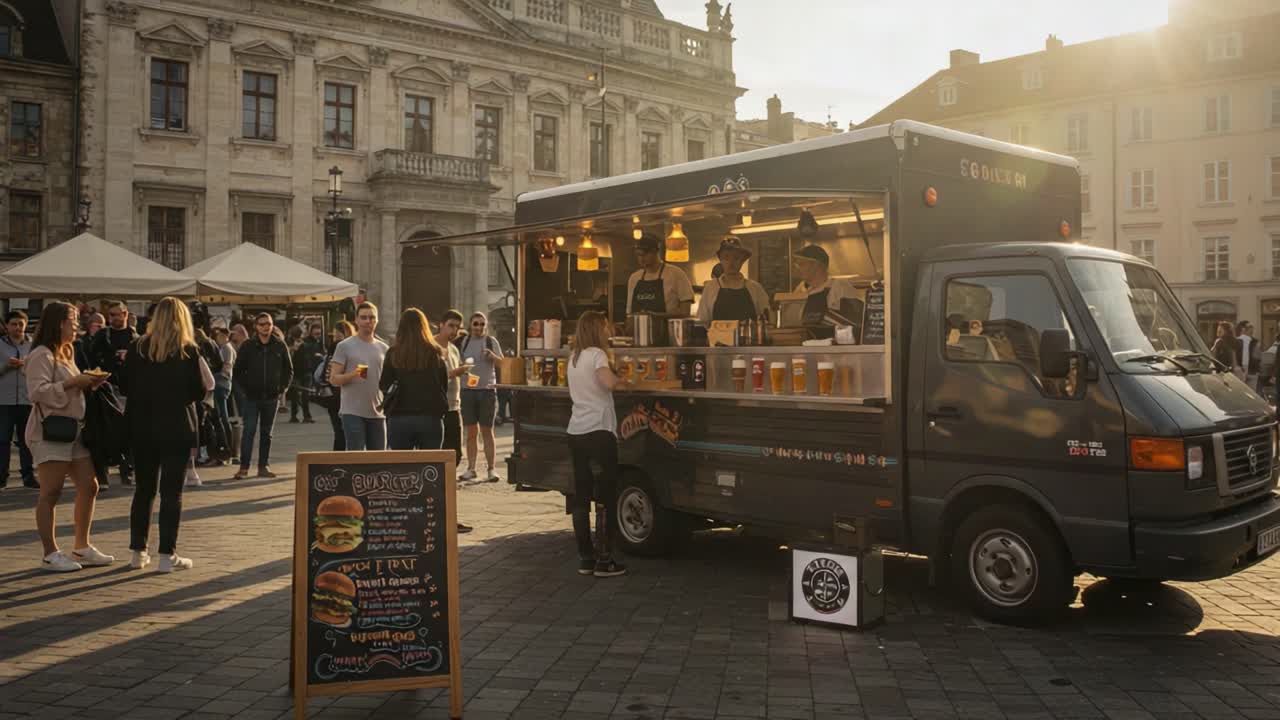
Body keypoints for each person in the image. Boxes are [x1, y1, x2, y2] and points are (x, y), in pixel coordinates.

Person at [121, 297, 211, 572]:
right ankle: (166, 556)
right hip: (176, 427)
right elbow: (199, 390)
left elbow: (123, 385)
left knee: (144, 490)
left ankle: (138, 552)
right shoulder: (188, 350)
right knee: (172, 493)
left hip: (142, 427)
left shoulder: (137, 348)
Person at [27, 301, 112, 572]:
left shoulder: (66, 351)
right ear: (58, 323)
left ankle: (81, 546)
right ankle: (50, 553)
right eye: (73, 321)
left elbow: (70, 386)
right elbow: (37, 391)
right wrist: (73, 382)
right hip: (51, 431)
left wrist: (89, 382)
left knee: (90, 485)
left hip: (74, 430)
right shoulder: (42, 354)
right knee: (51, 491)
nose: (76, 326)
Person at [566, 310, 627, 578]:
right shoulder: (597, 354)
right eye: (605, 327)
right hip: (599, 431)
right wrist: (624, 380)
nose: (609, 331)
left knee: (581, 495)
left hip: (576, 430)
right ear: (596, 329)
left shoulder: (574, 357)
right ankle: (606, 559)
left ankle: (585, 557)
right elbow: (608, 383)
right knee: (605, 495)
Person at [233, 313, 292, 480]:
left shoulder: (280, 345)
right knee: (249, 431)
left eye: (269, 323)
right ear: (256, 327)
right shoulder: (248, 346)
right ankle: (244, 467)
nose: (266, 327)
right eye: (262, 324)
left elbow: (289, 370)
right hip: (251, 397)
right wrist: (245, 389)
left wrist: (282, 388)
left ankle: (263, 466)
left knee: (267, 433)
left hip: (271, 397)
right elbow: (237, 371)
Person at [382, 308, 448, 451]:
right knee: (431, 468)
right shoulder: (435, 353)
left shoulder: (393, 353)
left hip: (400, 416)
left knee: (402, 468)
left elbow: (384, 384)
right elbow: (443, 384)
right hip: (430, 417)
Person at [89, 300, 138, 486]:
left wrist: (128, 357)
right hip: (105, 389)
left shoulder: (134, 336)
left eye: (118, 314)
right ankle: (102, 475)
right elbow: (91, 358)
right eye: (112, 315)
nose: (115, 318)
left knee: (128, 431)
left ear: (126, 314)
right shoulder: (103, 335)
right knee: (104, 430)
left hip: (127, 389)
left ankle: (128, 470)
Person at [433, 310, 474, 534]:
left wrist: (462, 375)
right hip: (438, 410)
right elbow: (432, 376)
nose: (454, 331)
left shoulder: (455, 349)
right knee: (441, 461)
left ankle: (449, 513)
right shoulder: (432, 348)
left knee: (455, 457)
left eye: (457, 327)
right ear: (441, 325)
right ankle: (439, 514)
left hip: (454, 408)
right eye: (450, 326)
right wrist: (454, 373)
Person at [330, 302, 389, 451]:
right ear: (356, 320)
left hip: (377, 413)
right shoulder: (344, 346)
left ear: (377, 320)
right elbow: (334, 379)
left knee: (378, 459)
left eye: (372, 317)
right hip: (352, 412)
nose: (368, 321)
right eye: (363, 317)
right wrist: (353, 374)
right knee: (356, 458)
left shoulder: (383, 348)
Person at [457, 311, 503, 481]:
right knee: (471, 432)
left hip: (487, 391)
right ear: (470, 325)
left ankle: (491, 469)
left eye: (482, 324)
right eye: (476, 323)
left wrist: (492, 356)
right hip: (468, 391)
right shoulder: (464, 341)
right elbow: (458, 362)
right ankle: (471, 468)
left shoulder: (491, 341)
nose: (479, 327)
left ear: (486, 326)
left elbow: (503, 364)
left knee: (487, 431)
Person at [696, 236, 771, 323]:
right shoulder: (711, 288)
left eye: (736, 258)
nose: (731, 263)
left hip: (748, 336)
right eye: (726, 258)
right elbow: (702, 321)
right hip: (718, 336)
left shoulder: (755, 288)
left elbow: (766, 320)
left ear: (742, 261)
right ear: (721, 260)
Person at [0, 311, 35, 489]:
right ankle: (1, 476)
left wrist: (26, 366)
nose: (17, 328)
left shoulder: (33, 345)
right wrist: (6, 367)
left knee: (26, 440)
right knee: (3, 440)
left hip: (26, 399)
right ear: (6, 326)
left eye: (20, 324)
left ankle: (28, 475)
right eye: (13, 324)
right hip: (4, 400)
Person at [626, 232, 694, 317]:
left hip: (667, 329)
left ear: (656, 252)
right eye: (639, 255)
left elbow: (685, 312)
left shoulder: (676, 274)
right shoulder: (634, 278)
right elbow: (630, 314)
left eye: (645, 254)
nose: (641, 258)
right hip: (640, 329)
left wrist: (657, 316)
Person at [792, 245, 858, 325]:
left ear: (816, 265)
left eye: (801, 264)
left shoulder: (839, 286)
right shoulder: (800, 289)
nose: (797, 268)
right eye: (797, 265)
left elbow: (853, 322)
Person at [315, 321, 353, 451]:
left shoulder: (334, 348)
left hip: (333, 396)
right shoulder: (352, 348)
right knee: (348, 433)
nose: (335, 336)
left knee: (339, 432)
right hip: (347, 396)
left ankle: (337, 460)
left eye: (337, 333)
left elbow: (319, 374)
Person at [211, 327, 235, 466]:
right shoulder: (225, 347)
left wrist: (212, 377)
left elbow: (226, 367)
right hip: (223, 383)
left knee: (222, 418)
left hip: (222, 384)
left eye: (220, 336)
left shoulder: (226, 348)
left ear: (225, 336)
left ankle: (228, 449)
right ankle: (228, 449)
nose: (217, 338)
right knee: (222, 417)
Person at [288, 330, 315, 424]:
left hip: (305, 372)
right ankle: (296, 416)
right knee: (296, 396)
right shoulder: (290, 345)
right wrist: (293, 349)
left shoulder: (307, 344)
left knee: (304, 395)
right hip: (297, 373)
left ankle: (303, 416)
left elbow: (311, 357)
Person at [1237, 321, 1261, 390]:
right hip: (1251, 370)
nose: (1252, 329)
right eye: (1250, 327)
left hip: (1246, 370)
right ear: (1243, 329)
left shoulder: (1237, 340)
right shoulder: (1255, 341)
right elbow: (1257, 356)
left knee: (1241, 391)